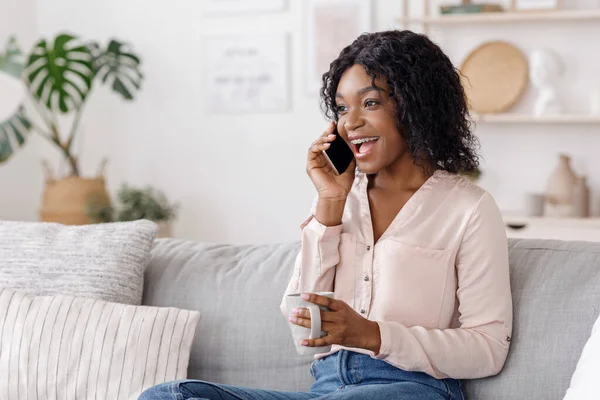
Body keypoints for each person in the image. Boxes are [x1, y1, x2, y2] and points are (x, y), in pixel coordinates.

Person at [139, 29, 512, 400]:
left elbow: (488, 348)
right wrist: (329, 205)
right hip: (328, 388)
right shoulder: (338, 200)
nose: (350, 123)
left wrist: (372, 334)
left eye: (370, 103)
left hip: (412, 389)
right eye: (342, 107)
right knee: (168, 395)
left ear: (418, 104)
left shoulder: (469, 208)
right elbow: (305, 338)